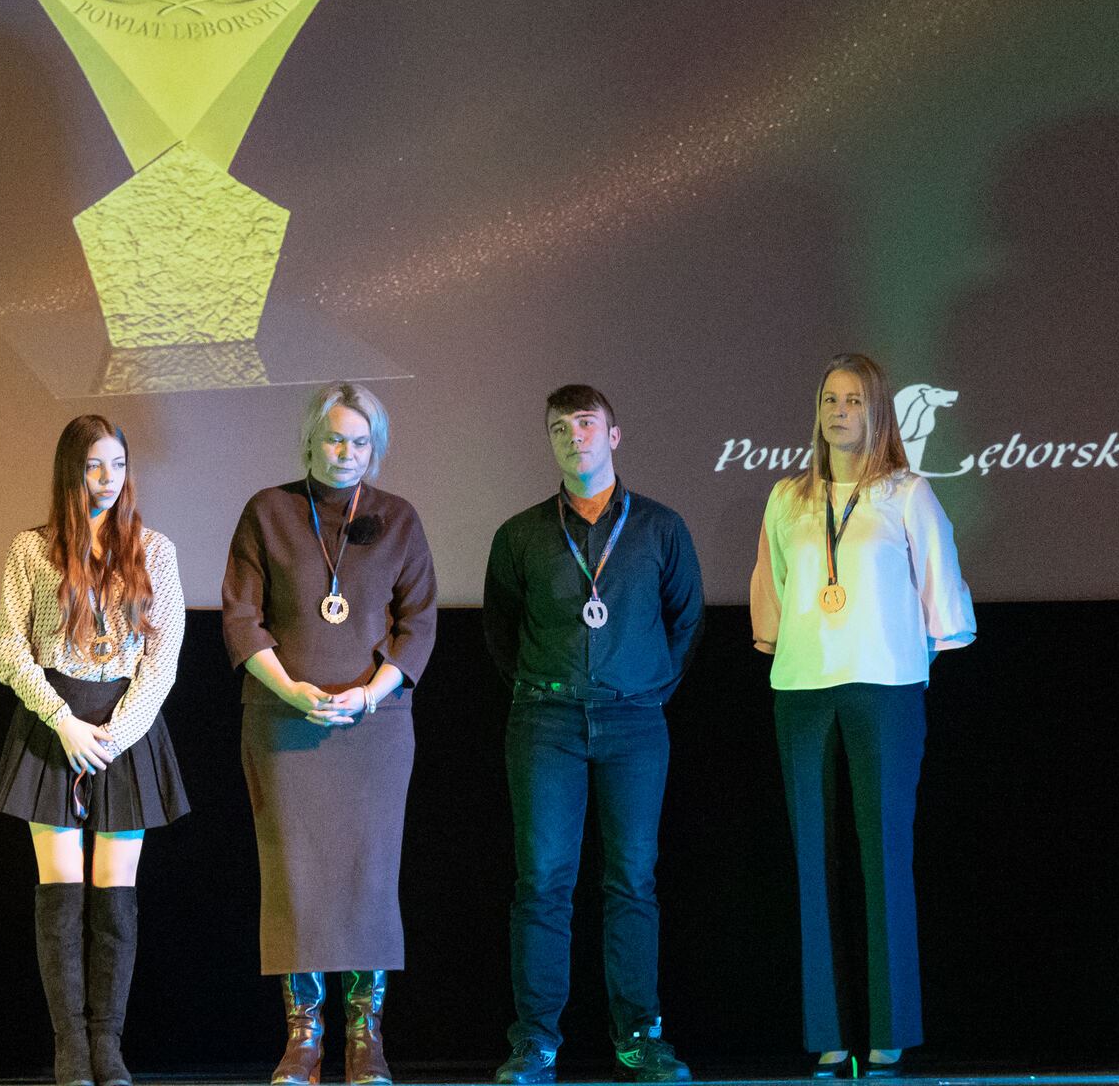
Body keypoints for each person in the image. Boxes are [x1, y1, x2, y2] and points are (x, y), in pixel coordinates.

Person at [750, 353, 975, 1079]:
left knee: (883, 854)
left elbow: (940, 587)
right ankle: (827, 1029)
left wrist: (914, 649)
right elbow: (772, 587)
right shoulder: (787, 496)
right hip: (802, 690)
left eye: (852, 400)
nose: (838, 411)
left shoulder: (907, 492)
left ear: (877, 410)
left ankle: (890, 1028)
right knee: (811, 861)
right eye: (829, 399)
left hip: (885, 689)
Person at [482, 385, 703, 1085]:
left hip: (635, 722)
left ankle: (640, 1038)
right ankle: (535, 1044)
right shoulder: (519, 534)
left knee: (632, 880)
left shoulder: (661, 528)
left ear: (613, 435)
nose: (573, 436)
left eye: (586, 423)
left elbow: (687, 621)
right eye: (560, 428)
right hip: (545, 723)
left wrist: (644, 687)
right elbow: (500, 632)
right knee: (543, 882)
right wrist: (546, 687)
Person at [222, 382, 438, 1086]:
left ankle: (366, 1039)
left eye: (361, 442)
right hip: (285, 725)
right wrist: (291, 689)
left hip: (374, 732)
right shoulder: (268, 511)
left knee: (368, 878)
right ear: (311, 441)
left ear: (376, 447)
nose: (348, 453)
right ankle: (304, 1040)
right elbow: (242, 618)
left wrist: (371, 695)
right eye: (336, 439)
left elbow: (418, 623)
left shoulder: (398, 518)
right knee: (296, 879)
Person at [0, 415, 189, 1086]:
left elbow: (162, 658)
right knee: (61, 894)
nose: (107, 479)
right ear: (69, 471)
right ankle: (70, 1048)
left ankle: (108, 1044)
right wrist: (63, 722)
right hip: (54, 728)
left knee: (115, 895)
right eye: (93, 466)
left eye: (118, 465)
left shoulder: (155, 550)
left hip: (125, 729)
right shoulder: (32, 549)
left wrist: (115, 734)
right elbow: (10, 650)